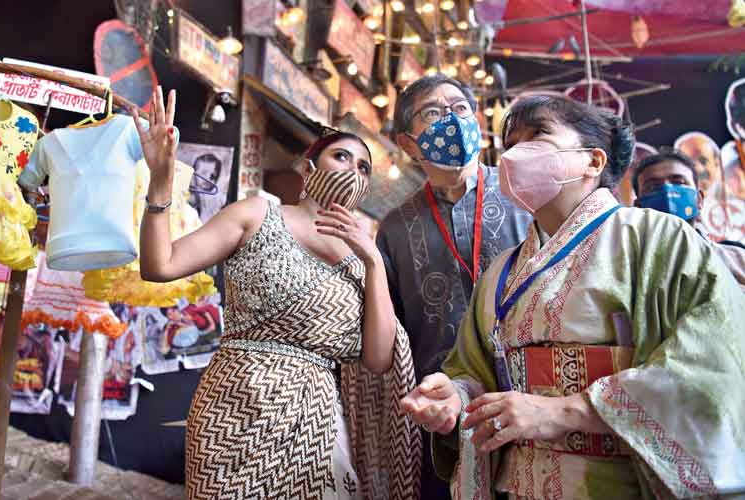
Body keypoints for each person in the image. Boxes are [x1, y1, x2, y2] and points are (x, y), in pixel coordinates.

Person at [401, 94, 745, 499]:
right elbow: (476, 369)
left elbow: (714, 359)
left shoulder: (657, 239)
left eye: (538, 134)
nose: (516, 154)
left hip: (619, 483)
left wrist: (567, 411)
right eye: (510, 144)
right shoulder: (502, 272)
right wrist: (457, 398)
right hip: (518, 484)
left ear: (594, 161)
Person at [131, 87, 421, 499]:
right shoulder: (258, 214)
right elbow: (160, 266)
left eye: (363, 168)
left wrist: (373, 262)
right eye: (341, 156)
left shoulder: (362, 260)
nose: (352, 171)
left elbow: (377, 359)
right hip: (234, 407)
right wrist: (159, 185)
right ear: (308, 168)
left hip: (314, 425)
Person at [378, 74, 532, 498]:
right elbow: (393, 330)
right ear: (408, 143)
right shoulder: (395, 227)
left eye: (460, 109)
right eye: (433, 112)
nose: (451, 118)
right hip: (444, 415)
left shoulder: (523, 193)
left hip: (531, 404)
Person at [633, 150, 745, 288]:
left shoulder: (739, 259)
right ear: (638, 207)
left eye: (678, 182)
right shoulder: (632, 278)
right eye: (653, 186)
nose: (668, 191)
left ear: (698, 199)